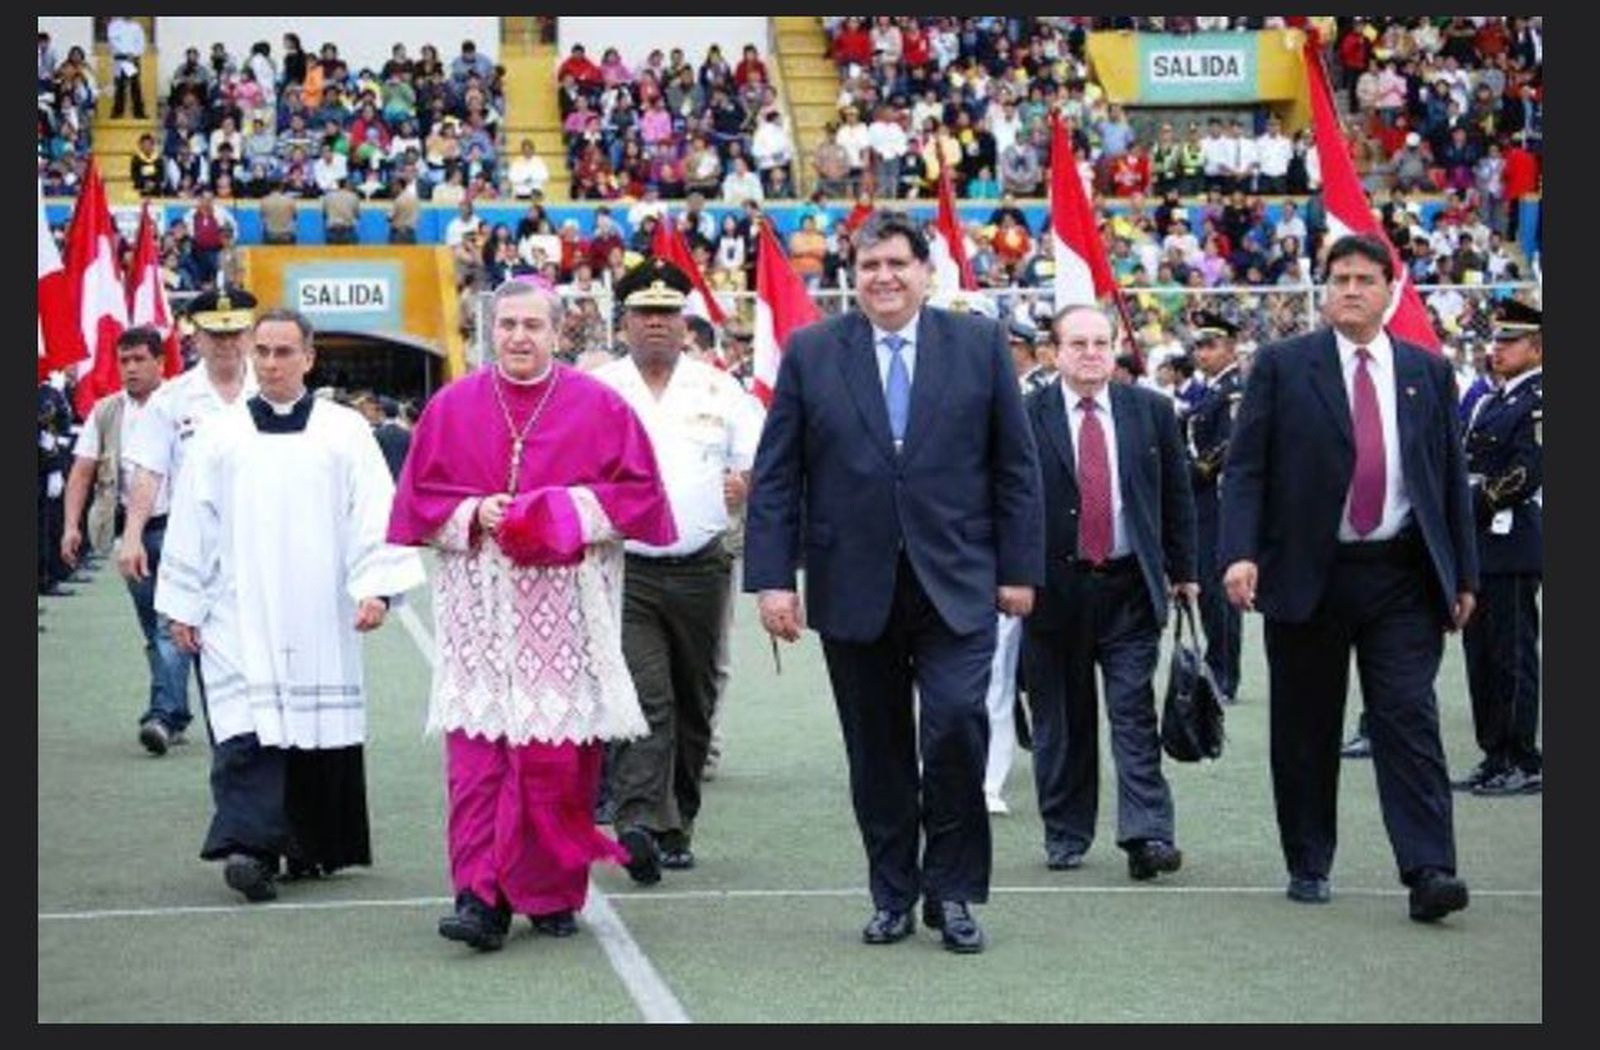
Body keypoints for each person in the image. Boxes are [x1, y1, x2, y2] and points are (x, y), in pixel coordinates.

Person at [744, 210, 1045, 954]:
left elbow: (1016, 467)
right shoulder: (813, 352)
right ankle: (893, 894)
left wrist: (1019, 571)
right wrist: (774, 581)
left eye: (897, 264)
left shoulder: (977, 345)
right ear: (855, 275)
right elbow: (778, 477)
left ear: (925, 272)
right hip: (854, 586)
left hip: (959, 582)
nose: (883, 277)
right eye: (870, 265)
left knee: (954, 731)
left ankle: (954, 891)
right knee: (876, 751)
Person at [386, 280, 677, 952]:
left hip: (565, 613)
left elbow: (637, 498)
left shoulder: (599, 405)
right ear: (491, 331)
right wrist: (472, 513)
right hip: (480, 611)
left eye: (532, 326)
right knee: (478, 761)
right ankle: (478, 896)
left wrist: (562, 511)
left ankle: (548, 892)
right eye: (508, 325)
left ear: (557, 333)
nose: (519, 337)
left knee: (557, 760)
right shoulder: (452, 405)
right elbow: (419, 500)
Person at [1219, 233, 1478, 923]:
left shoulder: (1427, 371)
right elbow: (1246, 469)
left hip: (1401, 575)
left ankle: (1430, 869)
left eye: (1367, 278)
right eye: (1341, 278)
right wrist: (1239, 552)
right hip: (1309, 574)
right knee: (1305, 727)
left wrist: (1464, 574)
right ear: (1323, 288)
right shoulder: (1283, 366)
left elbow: (1449, 479)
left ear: (1391, 290)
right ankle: (1309, 859)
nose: (1353, 289)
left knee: (1408, 718)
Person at [155, 307, 426, 902]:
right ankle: (249, 849)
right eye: (264, 352)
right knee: (246, 725)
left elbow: (371, 512)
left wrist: (375, 588)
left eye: (285, 352)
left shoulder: (344, 430)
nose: (272, 363)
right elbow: (191, 525)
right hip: (238, 608)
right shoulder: (219, 435)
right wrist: (183, 604)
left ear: (309, 357)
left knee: (311, 726)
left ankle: (308, 847)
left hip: (317, 606)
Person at [593, 260, 763, 879]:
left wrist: (746, 484)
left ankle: (677, 822)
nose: (657, 324)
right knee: (646, 696)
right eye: (644, 314)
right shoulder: (599, 389)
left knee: (694, 699)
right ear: (625, 323)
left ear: (686, 322)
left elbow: (758, 462)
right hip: (626, 567)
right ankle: (638, 820)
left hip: (702, 568)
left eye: (668, 314)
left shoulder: (721, 390)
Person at [1021, 304, 1198, 878]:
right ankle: (1066, 833)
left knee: (1133, 714)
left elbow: (1177, 497)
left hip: (1128, 587)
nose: (1092, 353)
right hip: (1052, 592)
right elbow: (1007, 503)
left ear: (1116, 345)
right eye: (1079, 343)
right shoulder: (1026, 416)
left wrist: (1185, 569)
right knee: (1061, 722)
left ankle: (1148, 835)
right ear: (1055, 351)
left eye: (1101, 341)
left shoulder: (1150, 411)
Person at [119, 288, 262, 753]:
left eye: (235, 332)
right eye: (214, 334)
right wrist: (133, 535)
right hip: (195, 547)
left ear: (249, 333)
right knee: (187, 637)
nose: (226, 343)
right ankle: (196, 729)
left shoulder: (272, 388)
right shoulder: (173, 399)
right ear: (195, 337)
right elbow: (149, 471)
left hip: (262, 543)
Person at [61, 327, 195, 754]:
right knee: (153, 627)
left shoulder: (184, 404)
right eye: (125, 360)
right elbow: (81, 470)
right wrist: (71, 525)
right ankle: (174, 710)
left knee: (167, 624)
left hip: (182, 528)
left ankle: (162, 715)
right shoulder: (106, 412)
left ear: (160, 362)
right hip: (133, 533)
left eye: (140, 359)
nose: (132, 368)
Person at [1457, 300, 1542, 796]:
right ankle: (1494, 752)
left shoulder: (1538, 399)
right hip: (1482, 543)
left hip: (1511, 542)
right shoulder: (1493, 400)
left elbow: (1527, 470)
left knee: (1511, 657)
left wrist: (1469, 503)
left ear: (1537, 346)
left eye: (1509, 341)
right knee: (1481, 655)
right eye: (1497, 341)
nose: (1498, 349)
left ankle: (1523, 756)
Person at [1186, 311, 1245, 705]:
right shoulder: (1212, 390)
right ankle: (1217, 666)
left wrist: (1190, 471)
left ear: (1231, 346)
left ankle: (1224, 673)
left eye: (1211, 345)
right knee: (1207, 590)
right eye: (1199, 346)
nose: (1202, 353)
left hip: (1219, 499)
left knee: (1218, 593)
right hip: (1204, 501)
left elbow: (1229, 447)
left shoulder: (1234, 390)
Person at [107, 15, 147, 119]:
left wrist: (134, 54)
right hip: (120, 59)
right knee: (120, 86)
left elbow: (141, 43)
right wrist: (125, 53)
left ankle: (139, 112)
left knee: (135, 85)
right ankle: (117, 111)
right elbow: (113, 41)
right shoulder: (114, 25)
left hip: (132, 59)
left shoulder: (137, 26)